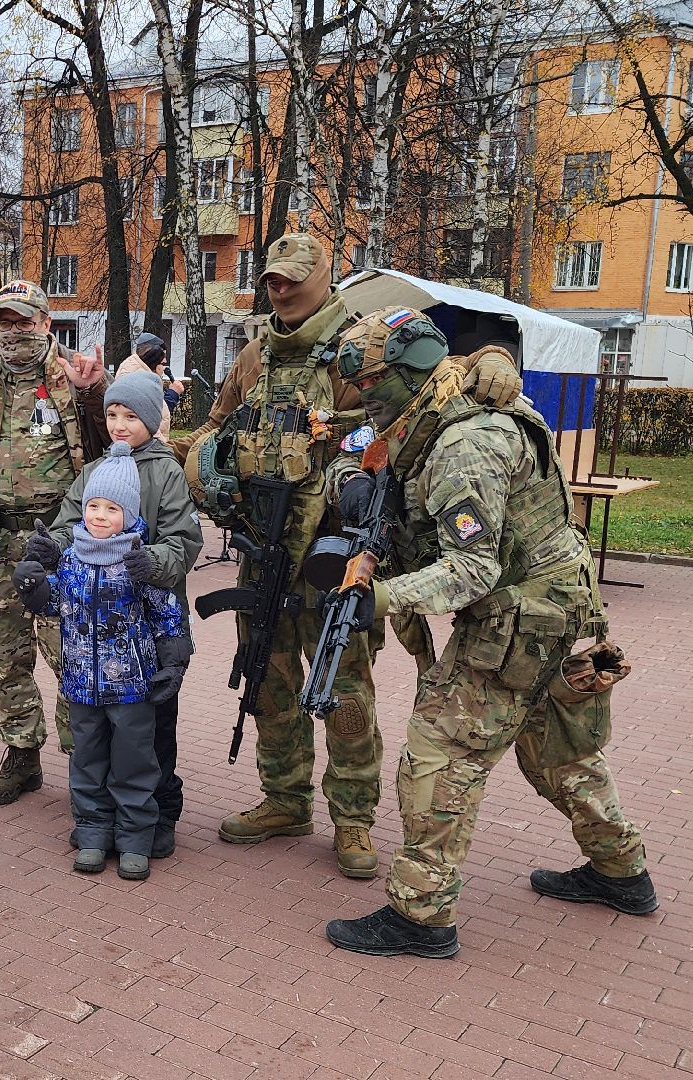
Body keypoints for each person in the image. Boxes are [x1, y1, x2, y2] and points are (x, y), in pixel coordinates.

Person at [172, 233, 525, 878]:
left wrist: (351, 481)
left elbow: (398, 426)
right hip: (264, 551)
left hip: (335, 558)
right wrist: (201, 465)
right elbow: (217, 426)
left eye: (289, 278)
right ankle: (284, 799)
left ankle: (355, 821)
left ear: (318, 278)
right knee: (270, 683)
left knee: (344, 694)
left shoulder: (356, 350)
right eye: (271, 278)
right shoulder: (254, 354)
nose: (278, 288)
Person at [318, 308, 655, 959]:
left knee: (440, 752)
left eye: (372, 390)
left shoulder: (463, 448)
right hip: (559, 609)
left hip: (517, 622)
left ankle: (421, 917)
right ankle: (622, 872)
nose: (366, 403)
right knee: (559, 754)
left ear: (404, 377)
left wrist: (381, 596)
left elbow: (470, 570)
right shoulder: (453, 401)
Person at [0, 279, 108, 804]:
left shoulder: (72, 375)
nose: (14, 331)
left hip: (56, 544)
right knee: (7, 657)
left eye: (24, 321)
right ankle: (21, 754)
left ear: (44, 322)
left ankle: (84, 760)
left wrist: (94, 393)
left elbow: (110, 451)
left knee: (70, 654)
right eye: (5, 322)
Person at [28, 368, 202, 857]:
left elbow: (184, 541)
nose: (120, 424)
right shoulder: (95, 470)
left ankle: (158, 813)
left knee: (153, 726)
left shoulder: (165, 471)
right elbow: (70, 523)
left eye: (130, 416)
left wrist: (155, 562)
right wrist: (49, 549)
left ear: (150, 419)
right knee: (99, 733)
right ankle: (99, 819)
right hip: (92, 630)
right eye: (111, 414)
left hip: (148, 618)